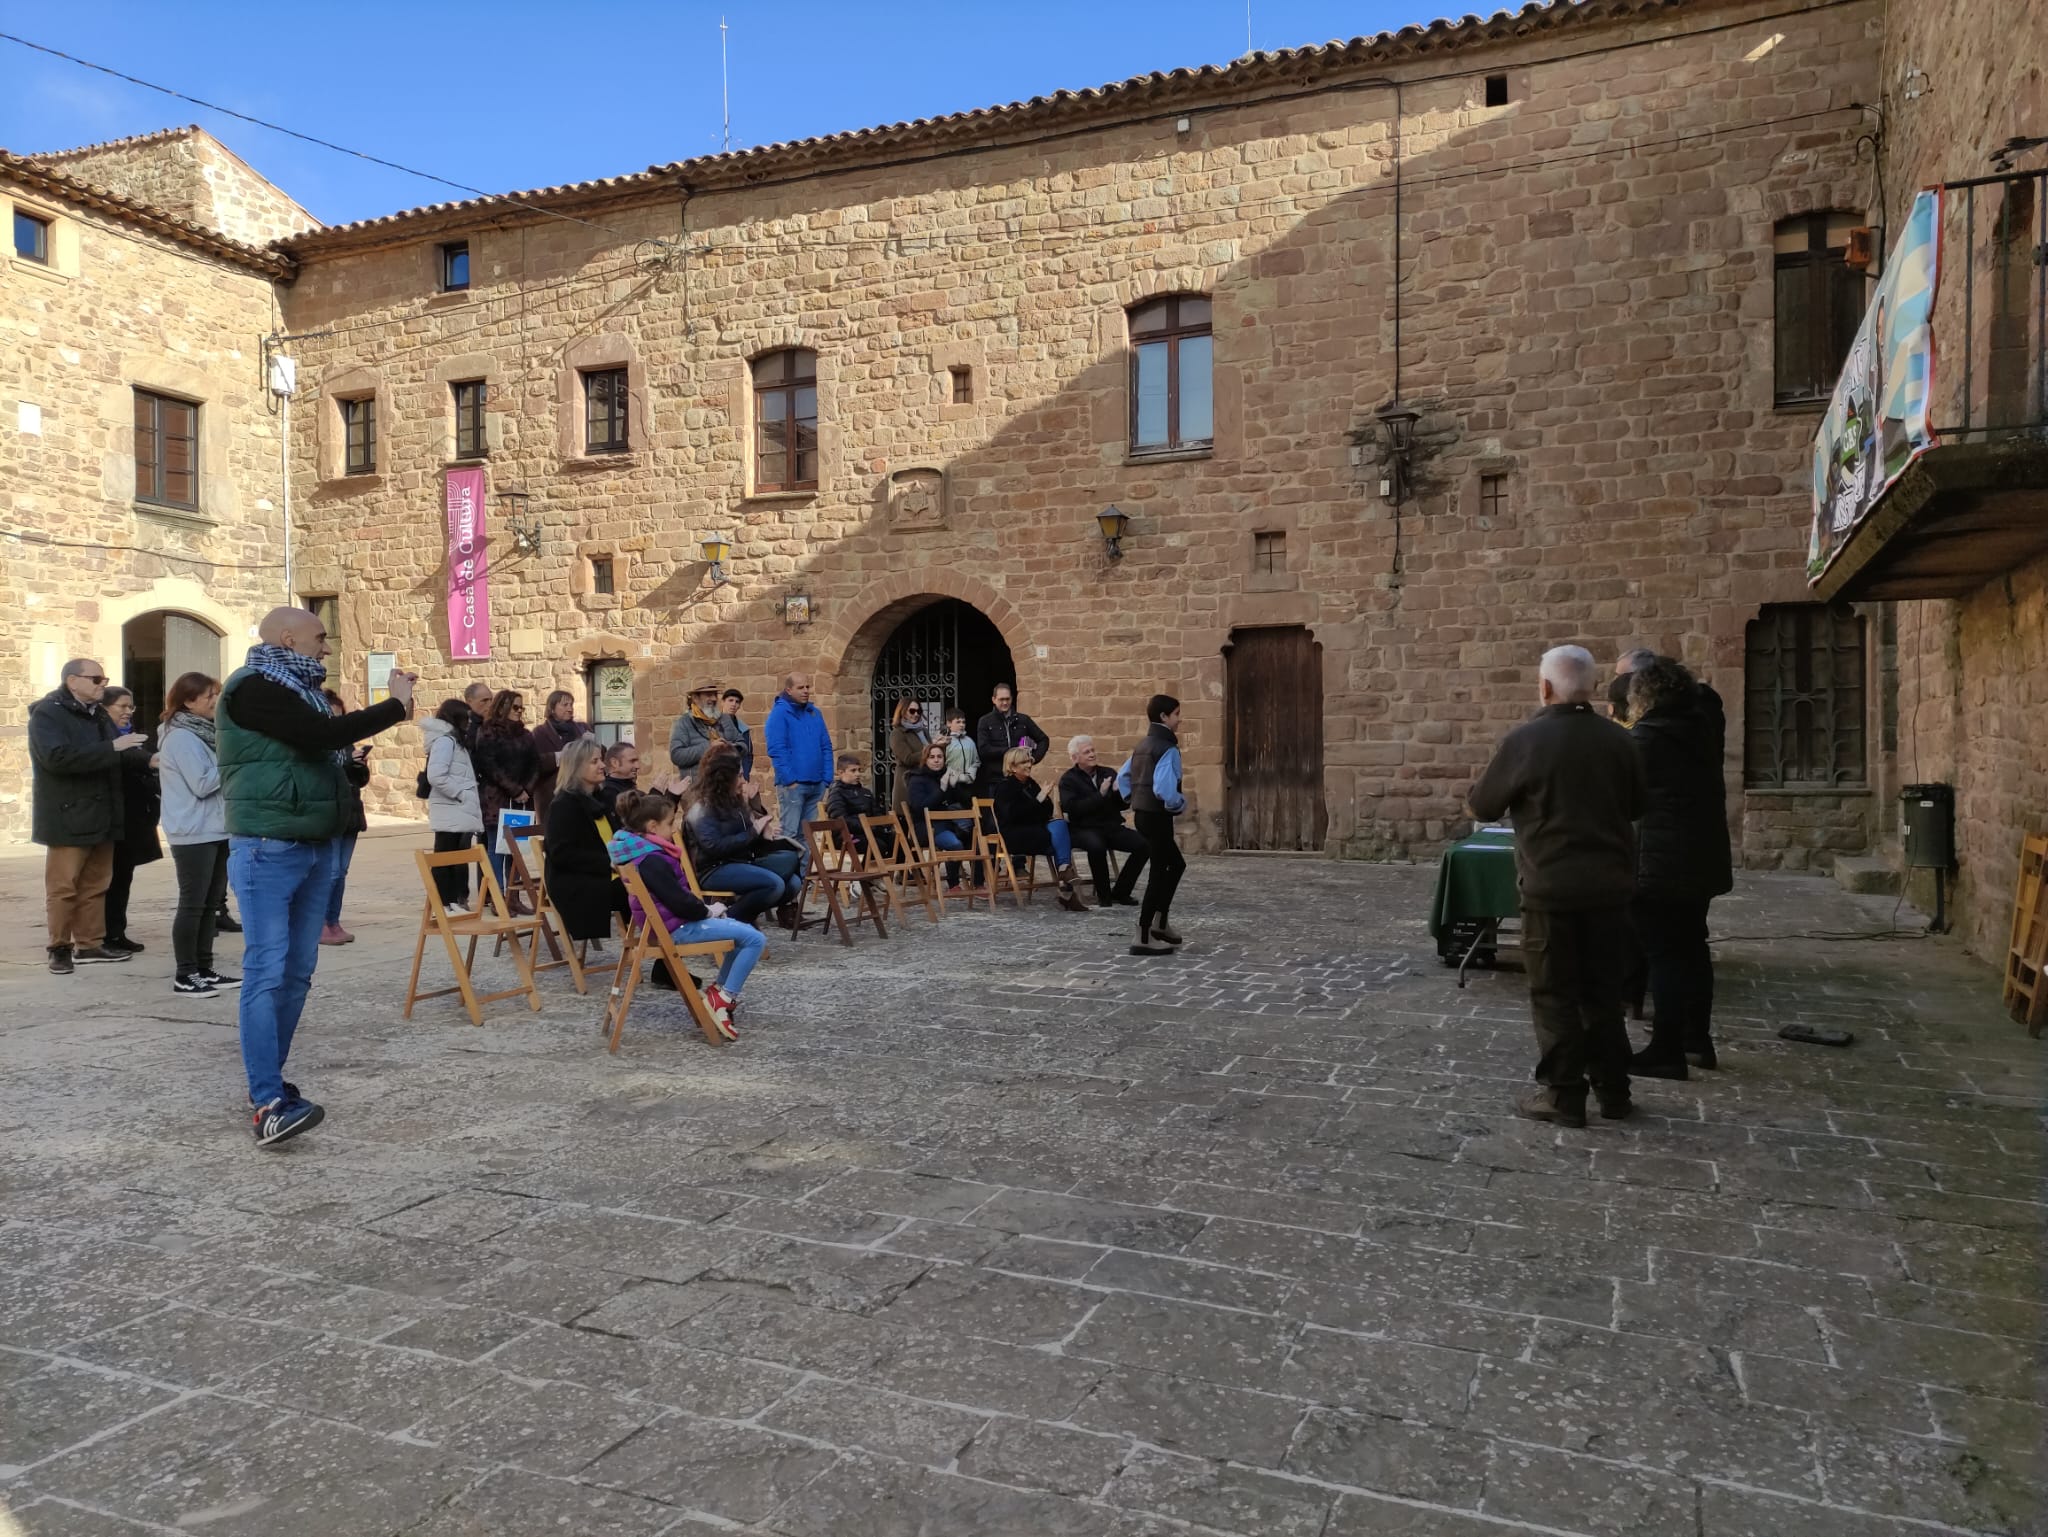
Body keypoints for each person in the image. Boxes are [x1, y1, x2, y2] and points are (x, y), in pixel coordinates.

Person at [218, 606, 413, 1147]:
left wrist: (344, 769)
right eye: (320, 638)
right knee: (267, 970)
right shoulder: (254, 686)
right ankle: (267, 1102)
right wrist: (395, 704)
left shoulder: (297, 689)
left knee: (299, 970)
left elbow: (311, 749)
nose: (326, 648)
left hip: (313, 843)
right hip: (267, 845)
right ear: (288, 638)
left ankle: (271, 1080)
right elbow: (316, 734)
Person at [1467, 644, 1646, 1128]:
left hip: (1551, 887)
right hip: (1610, 887)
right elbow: (1636, 806)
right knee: (1603, 992)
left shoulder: (1527, 741)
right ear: (1592, 686)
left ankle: (1565, 1094)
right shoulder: (1621, 741)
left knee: (1554, 992)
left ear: (1545, 688)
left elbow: (1484, 805)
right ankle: (1614, 1091)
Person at [1627, 657, 1734, 1076]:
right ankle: (1696, 1041)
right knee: (1692, 947)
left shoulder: (1646, 739)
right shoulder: (1701, 728)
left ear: (1644, 697)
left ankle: (1667, 1051)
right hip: (1700, 856)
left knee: (1664, 954)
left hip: (1659, 862)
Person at [30, 658, 151, 973]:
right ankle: (59, 947)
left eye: (103, 678)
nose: (102, 684)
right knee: (64, 886)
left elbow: (122, 752)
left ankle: (90, 944)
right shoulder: (48, 714)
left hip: (104, 813)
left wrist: (151, 761)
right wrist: (112, 748)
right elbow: (57, 758)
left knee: (97, 883)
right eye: (96, 679)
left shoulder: (97, 714)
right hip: (68, 814)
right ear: (72, 681)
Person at [610, 789, 765, 1033]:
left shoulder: (637, 852)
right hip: (676, 928)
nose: (674, 829)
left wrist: (705, 910)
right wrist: (708, 911)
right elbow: (679, 902)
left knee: (741, 935)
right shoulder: (652, 859)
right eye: (670, 823)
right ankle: (724, 998)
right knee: (755, 938)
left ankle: (719, 993)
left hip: (668, 924)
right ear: (652, 826)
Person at [159, 672, 237, 997]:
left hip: (216, 828)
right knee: (192, 903)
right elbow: (202, 783)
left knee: (210, 906)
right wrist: (232, 760)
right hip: (193, 832)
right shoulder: (180, 737)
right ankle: (185, 973)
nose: (215, 701)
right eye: (209, 696)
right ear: (189, 701)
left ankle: (204, 967)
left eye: (216, 694)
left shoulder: (206, 734)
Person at [683, 745, 803, 925]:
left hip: (741, 861)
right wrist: (754, 830)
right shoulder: (701, 809)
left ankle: (742, 915)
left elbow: (747, 832)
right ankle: (726, 922)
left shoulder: (734, 800)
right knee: (773, 885)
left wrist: (763, 833)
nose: (743, 780)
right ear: (724, 778)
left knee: (792, 882)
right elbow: (714, 847)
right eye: (739, 775)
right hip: (714, 869)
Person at [1120, 694, 1189, 954]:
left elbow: (1123, 777)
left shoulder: (1143, 744)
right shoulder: (1166, 747)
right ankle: (1144, 934)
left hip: (1143, 814)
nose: (1179, 720)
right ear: (1164, 717)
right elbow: (1164, 789)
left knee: (1176, 864)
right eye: (1177, 714)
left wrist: (1133, 797)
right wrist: (1179, 803)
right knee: (1159, 872)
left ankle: (1159, 922)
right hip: (1158, 816)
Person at [544, 735, 628, 947]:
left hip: (606, 876)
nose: (602, 765)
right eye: (594, 761)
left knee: (658, 881)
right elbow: (561, 853)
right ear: (576, 767)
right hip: (579, 883)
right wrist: (607, 863)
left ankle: (662, 955)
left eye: (600, 759)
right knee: (647, 892)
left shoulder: (600, 799)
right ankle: (662, 955)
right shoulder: (564, 804)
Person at [99, 686, 164, 957]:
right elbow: (129, 759)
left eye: (131, 707)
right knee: (108, 880)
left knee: (123, 877)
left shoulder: (129, 736)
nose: (128, 712)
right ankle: (102, 934)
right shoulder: (105, 736)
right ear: (106, 708)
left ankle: (117, 931)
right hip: (112, 818)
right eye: (122, 706)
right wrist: (151, 760)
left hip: (134, 818)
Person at [992, 747, 1088, 911]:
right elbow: (1013, 815)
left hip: (1037, 829)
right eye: (1024, 762)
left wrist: (1041, 801)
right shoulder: (1005, 787)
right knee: (1060, 842)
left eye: (1029, 761)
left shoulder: (1030, 783)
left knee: (1059, 824)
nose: (1029, 764)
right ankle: (1065, 884)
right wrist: (1039, 799)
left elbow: (1047, 809)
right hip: (1016, 835)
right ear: (1012, 767)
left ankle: (1064, 872)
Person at [1060, 734, 1147, 908]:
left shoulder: (1107, 773)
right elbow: (1072, 808)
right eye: (1087, 752)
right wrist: (1099, 795)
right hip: (1084, 828)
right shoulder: (1068, 780)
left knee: (1144, 845)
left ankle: (1121, 891)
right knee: (1096, 846)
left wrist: (1119, 793)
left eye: (1093, 750)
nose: (1092, 754)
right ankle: (1104, 896)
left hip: (1110, 826)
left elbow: (1121, 805)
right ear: (1075, 758)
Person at [473, 690, 540, 906]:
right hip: (497, 798)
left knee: (516, 848)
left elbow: (534, 764)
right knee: (496, 847)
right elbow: (489, 765)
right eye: (515, 707)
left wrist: (526, 790)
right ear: (502, 707)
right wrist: (514, 789)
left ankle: (514, 896)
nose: (519, 712)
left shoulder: (525, 735)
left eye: (522, 708)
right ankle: (497, 896)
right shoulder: (488, 732)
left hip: (521, 799)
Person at [319, 689, 372, 945]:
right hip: (330, 813)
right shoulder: (319, 745)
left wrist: (359, 766)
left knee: (341, 872)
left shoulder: (347, 743)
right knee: (330, 872)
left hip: (350, 812)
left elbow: (359, 781)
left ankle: (333, 921)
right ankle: (320, 923)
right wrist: (344, 764)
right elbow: (321, 774)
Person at [421, 700, 483, 912]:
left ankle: (452, 901)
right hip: (451, 807)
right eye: (466, 718)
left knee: (455, 857)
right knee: (444, 857)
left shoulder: (455, 741)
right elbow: (436, 775)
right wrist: (460, 793)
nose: (469, 723)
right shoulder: (445, 742)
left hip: (456, 809)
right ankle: (443, 903)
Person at [765, 672, 833, 840]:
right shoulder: (779, 714)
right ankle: (790, 867)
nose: (805, 691)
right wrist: (790, 780)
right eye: (800, 687)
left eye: (807, 687)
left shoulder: (815, 713)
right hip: (793, 785)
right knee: (790, 834)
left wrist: (826, 778)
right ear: (789, 690)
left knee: (808, 835)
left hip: (816, 783)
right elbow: (777, 749)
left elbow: (826, 745)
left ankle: (806, 868)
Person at [905, 739, 971, 888]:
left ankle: (979, 883)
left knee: (978, 841)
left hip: (951, 824)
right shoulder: (917, 780)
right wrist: (941, 789)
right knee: (955, 845)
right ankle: (953, 884)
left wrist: (956, 786)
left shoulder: (947, 774)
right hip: (927, 827)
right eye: (932, 757)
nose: (936, 760)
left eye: (939, 757)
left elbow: (965, 802)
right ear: (925, 759)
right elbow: (920, 808)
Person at [530, 689, 590, 828]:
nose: (570, 709)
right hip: (551, 793)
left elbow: (598, 754)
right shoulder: (540, 732)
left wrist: (590, 744)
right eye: (564, 705)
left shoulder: (582, 729)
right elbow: (534, 762)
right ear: (552, 708)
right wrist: (559, 756)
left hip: (579, 790)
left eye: (571, 705)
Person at [975, 683, 1048, 796]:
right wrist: (1012, 751)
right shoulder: (985, 721)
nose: (1005, 703)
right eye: (1001, 699)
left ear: (1012, 699)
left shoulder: (1023, 720)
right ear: (994, 699)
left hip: (1020, 778)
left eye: (1007, 699)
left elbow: (1043, 739)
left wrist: (1033, 758)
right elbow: (984, 750)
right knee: (997, 812)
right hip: (996, 778)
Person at [826, 752, 888, 857]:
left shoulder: (866, 792)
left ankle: (896, 873)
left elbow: (877, 813)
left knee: (898, 840)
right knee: (878, 845)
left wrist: (880, 826)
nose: (858, 774)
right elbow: (841, 819)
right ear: (840, 773)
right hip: (847, 835)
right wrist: (866, 826)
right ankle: (866, 872)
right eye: (853, 770)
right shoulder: (836, 793)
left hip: (869, 831)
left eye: (859, 770)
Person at [668, 681, 725, 780]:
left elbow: (741, 745)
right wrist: (709, 747)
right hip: (698, 789)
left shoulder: (721, 720)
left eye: (715, 695)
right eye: (709, 695)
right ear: (695, 698)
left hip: (722, 786)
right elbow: (677, 756)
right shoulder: (684, 722)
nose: (714, 699)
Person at [887, 699, 929, 809]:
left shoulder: (923, 731)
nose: (916, 714)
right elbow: (907, 758)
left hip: (926, 779)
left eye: (918, 711)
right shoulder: (897, 733)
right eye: (912, 711)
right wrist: (929, 752)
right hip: (908, 783)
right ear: (903, 711)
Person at [596, 739, 642, 820]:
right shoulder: (608, 791)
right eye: (632, 761)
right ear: (615, 763)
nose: (638, 766)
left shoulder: (627, 786)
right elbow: (635, 820)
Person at [716, 688, 755, 780]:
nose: (733, 704)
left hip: (739, 776)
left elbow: (748, 755)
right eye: (730, 700)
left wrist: (745, 776)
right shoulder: (713, 725)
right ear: (722, 702)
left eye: (737, 702)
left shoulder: (743, 728)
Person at [941, 709, 979, 800]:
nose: (962, 725)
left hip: (968, 785)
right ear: (949, 723)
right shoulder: (945, 741)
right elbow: (940, 763)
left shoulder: (970, 741)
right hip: (950, 785)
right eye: (958, 722)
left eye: (963, 722)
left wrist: (971, 774)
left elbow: (976, 761)